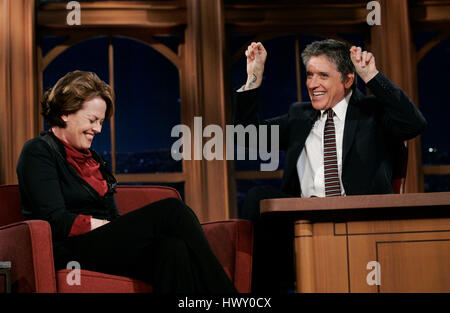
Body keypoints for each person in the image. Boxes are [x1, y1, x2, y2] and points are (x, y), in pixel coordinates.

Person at [16, 70, 236, 294]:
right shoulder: (38, 151)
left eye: (101, 122)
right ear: (65, 113)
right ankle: (227, 295)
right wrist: (107, 226)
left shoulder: (94, 161)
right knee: (172, 210)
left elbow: (112, 216)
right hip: (69, 250)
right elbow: (54, 219)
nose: (98, 129)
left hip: (101, 246)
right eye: (92, 120)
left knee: (173, 248)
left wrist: (116, 228)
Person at [234, 39, 427, 292]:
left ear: (347, 80)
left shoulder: (372, 113)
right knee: (258, 197)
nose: (313, 84)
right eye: (310, 75)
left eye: (323, 75)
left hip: (360, 220)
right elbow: (245, 136)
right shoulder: (299, 116)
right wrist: (254, 76)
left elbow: (414, 124)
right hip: (302, 220)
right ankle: (262, 292)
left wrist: (372, 77)